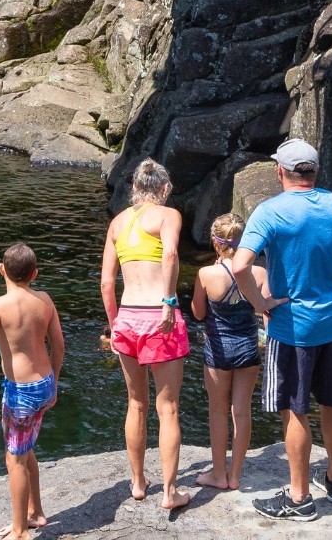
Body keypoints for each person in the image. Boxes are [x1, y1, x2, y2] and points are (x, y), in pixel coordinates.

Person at [230, 139, 332, 521]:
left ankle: (299, 498)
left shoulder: (270, 212)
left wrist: (259, 305)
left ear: (280, 171)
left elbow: (240, 267)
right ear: (315, 172)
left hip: (292, 329)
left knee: (294, 410)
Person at [100, 158, 194, 510]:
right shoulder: (168, 216)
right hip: (159, 317)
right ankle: (170, 493)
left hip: (126, 317)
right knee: (167, 408)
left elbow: (108, 282)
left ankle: (138, 482)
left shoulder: (117, 223)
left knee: (135, 404)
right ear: (165, 189)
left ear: (134, 189)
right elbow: (169, 252)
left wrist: (112, 326)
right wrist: (169, 302)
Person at [0, 242, 65, 540]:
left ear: (1, 271)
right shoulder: (45, 300)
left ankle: (21, 530)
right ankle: (35, 512)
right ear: (34, 274)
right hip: (45, 384)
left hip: (20, 393)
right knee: (26, 447)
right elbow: (59, 345)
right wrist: (55, 381)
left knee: (14, 459)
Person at [190, 213, 267, 492]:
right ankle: (235, 476)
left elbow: (198, 313)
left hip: (218, 351)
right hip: (248, 348)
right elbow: (265, 310)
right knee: (242, 412)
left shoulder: (206, 274)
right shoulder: (259, 273)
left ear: (215, 242)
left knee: (217, 412)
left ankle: (218, 474)